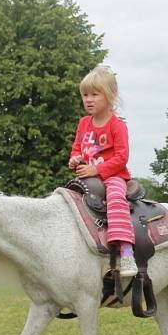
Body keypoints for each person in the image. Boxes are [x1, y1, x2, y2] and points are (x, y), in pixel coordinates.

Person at [68, 66, 137, 276]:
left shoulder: (117, 126)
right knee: (66, 201)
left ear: (110, 96)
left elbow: (121, 157)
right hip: (86, 177)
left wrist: (96, 169)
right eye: (85, 95)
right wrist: (75, 159)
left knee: (116, 198)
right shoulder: (83, 123)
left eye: (94, 95)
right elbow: (77, 147)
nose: (88, 100)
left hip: (113, 176)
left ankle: (126, 253)